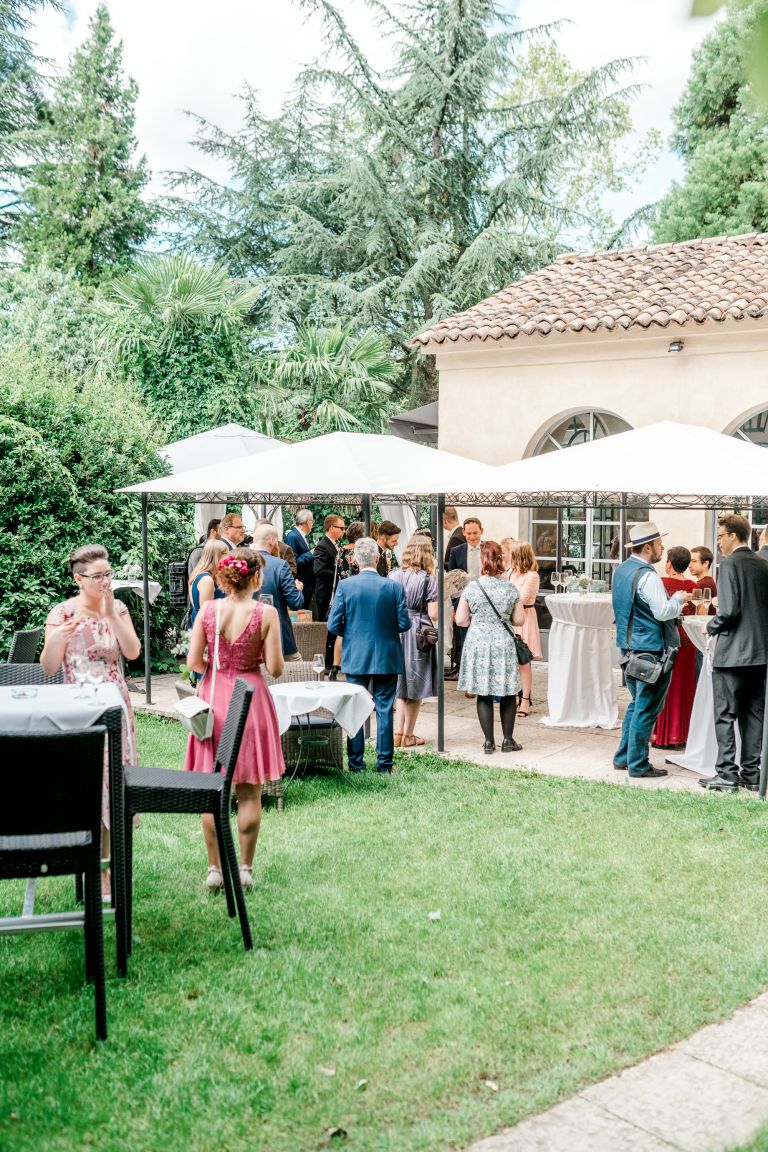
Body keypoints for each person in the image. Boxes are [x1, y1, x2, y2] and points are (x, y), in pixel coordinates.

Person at [41, 543, 142, 894]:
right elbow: (49, 666)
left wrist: (112, 613)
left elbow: (132, 651)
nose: (104, 582)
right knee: (88, 785)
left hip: (114, 703)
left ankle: (111, 864)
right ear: (78, 578)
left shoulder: (119, 608)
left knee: (114, 783)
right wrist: (55, 639)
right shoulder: (62, 613)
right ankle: (92, 864)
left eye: (108, 574)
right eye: (97, 577)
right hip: (77, 706)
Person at [185, 549, 285, 889]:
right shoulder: (266, 613)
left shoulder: (209, 611)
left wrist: (217, 668)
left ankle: (214, 869)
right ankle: (244, 868)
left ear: (226, 578)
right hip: (251, 699)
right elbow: (275, 668)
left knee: (212, 791)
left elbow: (194, 662)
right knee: (250, 793)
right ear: (256, 576)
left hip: (213, 701)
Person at [612, 522, 692, 780]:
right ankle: (638, 764)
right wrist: (679, 599)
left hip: (628, 649)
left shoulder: (621, 571)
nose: (662, 548)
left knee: (636, 706)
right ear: (648, 547)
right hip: (650, 652)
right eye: (659, 543)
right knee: (646, 709)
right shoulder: (648, 576)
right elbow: (662, 612)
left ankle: (623, 757)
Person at [327, 537, 411, 773]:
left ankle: (356, 763)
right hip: (387, 654)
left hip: (355, 655)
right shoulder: (393, 586)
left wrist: (352, 634)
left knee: (355, 708)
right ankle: (385, 764)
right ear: (377, 558)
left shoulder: (346, 586)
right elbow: (404, 623)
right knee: (384, 708)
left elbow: (333, 625)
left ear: (354, 560)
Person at [702, 513, 768, 792]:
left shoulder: (729, 565)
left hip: (732, 654)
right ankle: (752, 775)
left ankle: (727, 774)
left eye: (720, 536)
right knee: (753, 716)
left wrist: (711, 626)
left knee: (725, 715)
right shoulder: (763, 564)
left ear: (732, 536)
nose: (718, 542)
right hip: (760, 654)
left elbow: (728, 611)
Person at [455, 541, 525, 753]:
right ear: (501, 560)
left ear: (482, 561)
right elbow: (519, 620)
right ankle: (508, 740)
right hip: (502, 644)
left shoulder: (472, 587)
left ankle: (488, 741)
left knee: (483, 692)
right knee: (508, 692)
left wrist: (477, 621)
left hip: (478, 643)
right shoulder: (510, 588)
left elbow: (460, 620)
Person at [389, 534, 439, 748]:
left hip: (396, 629)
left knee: (400, 683)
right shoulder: (429, 579)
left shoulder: (393, 575)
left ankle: (397, 733)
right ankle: (408, 734)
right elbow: (433, 613)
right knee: (416, 683)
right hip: (418, 632)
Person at [651, 546, 697, 749]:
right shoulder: (693, 586)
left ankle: (663, 735)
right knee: (685, 687)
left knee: (665, 687)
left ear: (668, 564)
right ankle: (683, 734)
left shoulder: (661, 583)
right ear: (687, 565)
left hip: (668, 641)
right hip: (688, 642)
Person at [252, 524, 304, 661]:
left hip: (243, 636)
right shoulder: (279, 565)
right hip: (278, 636)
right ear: (271, 540)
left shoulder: (238, 562)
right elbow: (295, 603)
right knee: (296, 667)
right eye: (277, 540)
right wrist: (298, 590)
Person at [503, 538, 542, 719]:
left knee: (523, 662)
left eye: (512, 555)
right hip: (510, 620)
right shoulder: (510, 572)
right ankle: (515, 696)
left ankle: (526, 698)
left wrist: (507, 597)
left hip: (525, 619)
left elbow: (524, 599)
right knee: (511, 662)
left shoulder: (532, 576)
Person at [447, 517, 483, 692]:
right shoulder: (456, 551)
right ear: (463, 533)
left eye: (475, 533)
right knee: (465, 640)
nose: (472, 537)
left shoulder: (489, 549)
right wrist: (454, 606)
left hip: (485, 601)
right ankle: (468, 680)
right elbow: (452, 581)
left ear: (481, 531)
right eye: (468, 533)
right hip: (464, 601)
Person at [188, 539, 228, 627]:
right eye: (226, 554)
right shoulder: (207, 580)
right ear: (217, 556)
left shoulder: (203, 576)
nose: (228, 558)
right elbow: (207, 615)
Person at [313, 513, 346, 621]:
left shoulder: (336, 544)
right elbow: (319, 570)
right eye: (342, 528)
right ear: (332, 528)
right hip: (326, 594)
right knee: (326, 626)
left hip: (335, 591)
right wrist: (340, 574)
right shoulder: (322, 546)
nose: (344, 531)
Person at [285, 510, 316, 610]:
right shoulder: (293, 536)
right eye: (312, 521)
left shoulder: (303, 536)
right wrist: (311, 553)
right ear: (307, 522)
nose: (313, 523)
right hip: (299, 583)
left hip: (306, 582)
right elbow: (293, 562)